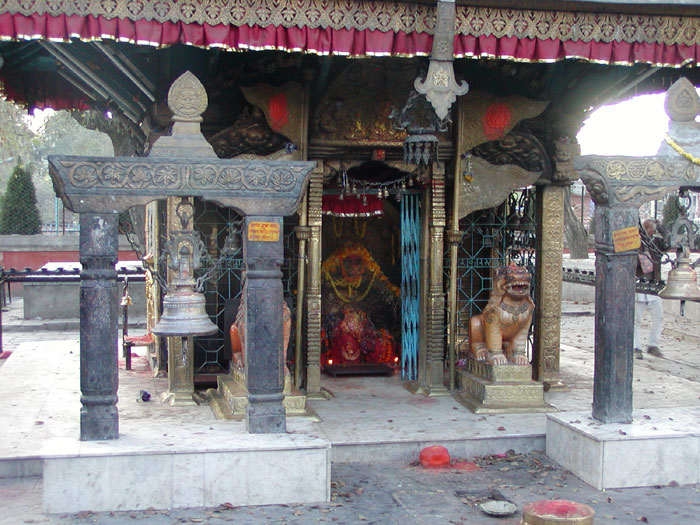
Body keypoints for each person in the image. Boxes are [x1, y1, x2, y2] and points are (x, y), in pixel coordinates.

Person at [634, 219, 665, 359]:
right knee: (636, 320)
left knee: (659, 317)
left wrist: (661, 226)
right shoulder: (635, 243)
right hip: (639, 287)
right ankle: (636, 347)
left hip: (654, 287)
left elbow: (668, 243)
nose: (653, 232)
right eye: (653, 229)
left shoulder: (656, 243)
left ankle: (653, 345)